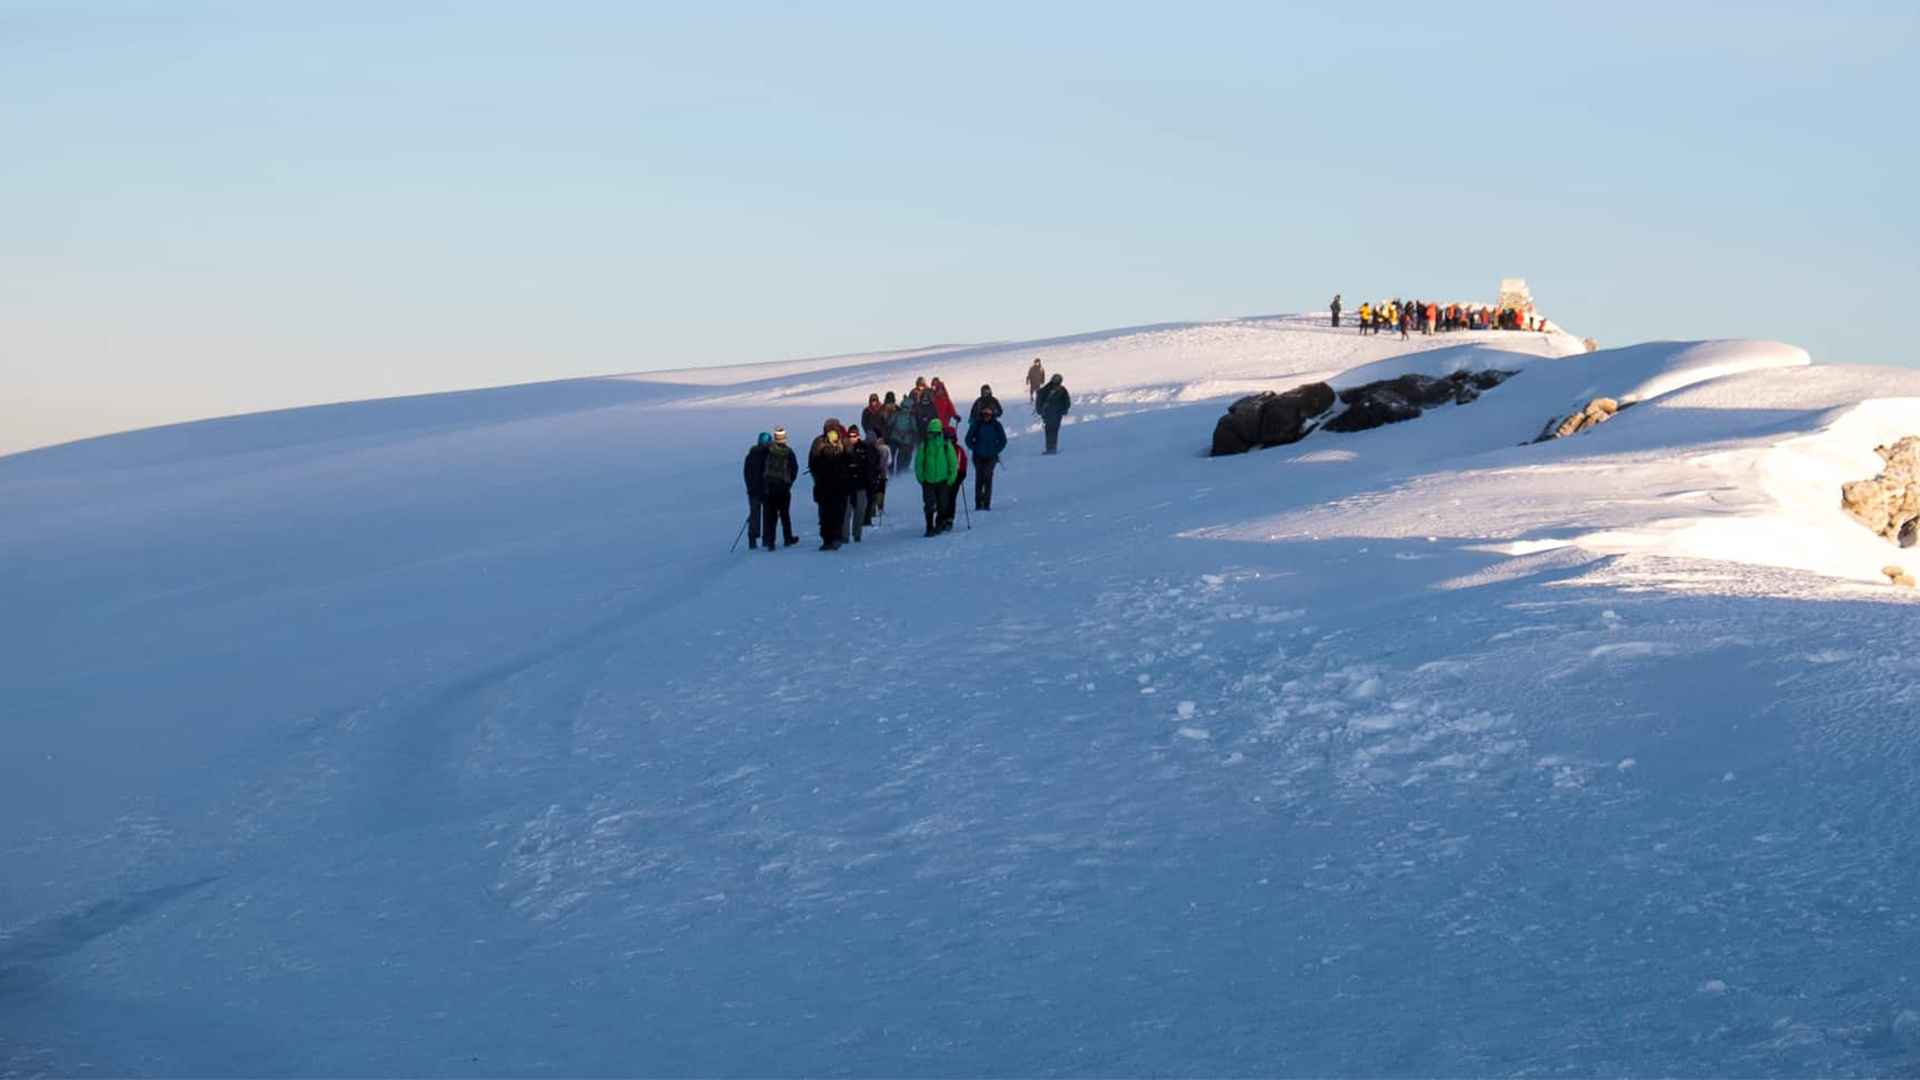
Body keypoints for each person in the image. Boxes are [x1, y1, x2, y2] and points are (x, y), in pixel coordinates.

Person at [808, 419, 848, 550]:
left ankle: (827, 540)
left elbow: (812, 463)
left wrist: (817, 478)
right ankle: (835, 537)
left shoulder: (818, 442)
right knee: (837, 512)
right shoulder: (843, 442)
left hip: (823, 485)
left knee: (825, 514)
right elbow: (850, 460)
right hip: (839, 485)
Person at [914, 418, 957, 537]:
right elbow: (918, 462)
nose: (931, 434)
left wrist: (951, 478)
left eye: (933, 432)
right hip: (928, 481)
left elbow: (953, 462)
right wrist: (921, 477)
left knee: (943, 504)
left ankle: (938, 524)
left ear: (939, 432)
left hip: (943, 481)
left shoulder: (946, 444)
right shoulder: (925, 444)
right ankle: (929, 526)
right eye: (930, 432)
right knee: (929, 504)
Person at [759, 428, 800, 550]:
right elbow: (794, 468)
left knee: (771, 516)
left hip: (771, 487)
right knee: (785, 515)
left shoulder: (768, 451)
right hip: (784, 488)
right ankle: (788, 538)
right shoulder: (788, 451)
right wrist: (789, 482)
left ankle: (771, 542)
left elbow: (762, 468)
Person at [965, 406, 1007, 511]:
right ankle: (978, 504)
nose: (986, 416)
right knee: (979, 479)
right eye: (984, 414)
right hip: (978, 456)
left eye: (988, 414)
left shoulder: (996, 425)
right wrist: (975, 447)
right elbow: (968, 439)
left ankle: (987, 503)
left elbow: (1003, 440)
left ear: (992, 414)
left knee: (988, 478)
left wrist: (996, 449)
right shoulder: (977, 424)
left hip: (991, 457)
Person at [843, 425, 875, 543]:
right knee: (846, 513)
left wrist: (870, 483)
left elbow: (869, 467)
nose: (852, 437)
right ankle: (844, 536)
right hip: (846, 486)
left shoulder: (864, 448)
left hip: (861, 485)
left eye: (854, 435)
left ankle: (857, 534)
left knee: (860, 511)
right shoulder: (843, 448)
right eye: (850, 435)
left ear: (858, 436)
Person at [743, 432, 772, 549]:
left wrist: (750, 488)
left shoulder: (751, 455)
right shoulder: (770, 455)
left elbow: (746, 474)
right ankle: (764, 539)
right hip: (764, 490)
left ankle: (753, 540)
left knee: (755, 515)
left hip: (754, 491)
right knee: (766, 515)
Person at [938, 422, 968, 532]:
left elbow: (963, 463)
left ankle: (949, 519)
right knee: (942, 498)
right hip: (942, 476)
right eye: (946, 437)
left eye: (950, 437)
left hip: (957, 476)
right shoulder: (941, 448)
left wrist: (961, 475)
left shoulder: (958, 449)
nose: (948, 440)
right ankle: (943, 518)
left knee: (951, 497)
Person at [1036, 373, 1071, 454]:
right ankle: (1051, 448)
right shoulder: (1058, 389)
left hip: (1053, 414)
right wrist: (1064, 410)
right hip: (1051, 414)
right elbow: (1067, 402)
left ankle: (1051, 448)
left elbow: (1067, 402)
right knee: (1052, 431)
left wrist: (1064, 410)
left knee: (1051, 431)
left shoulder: (1059, 389)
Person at [887, 396, 917, 475]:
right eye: (904, 407)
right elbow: (889, 423)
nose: (905, 409)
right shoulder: (898, 414)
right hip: (898, 438)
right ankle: (894, 472)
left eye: (907, 407)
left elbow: (915, 429)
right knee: (893, 456)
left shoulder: (910, 417)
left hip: (903, 439)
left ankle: (898, 473)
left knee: (900, 457)